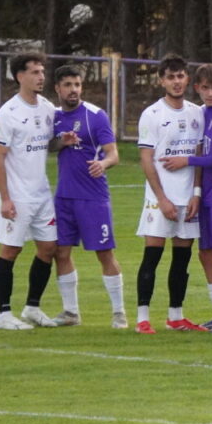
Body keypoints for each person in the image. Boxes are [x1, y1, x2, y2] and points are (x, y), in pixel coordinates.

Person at [47, 64, 127, 329]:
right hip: (64, 197)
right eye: (68, 85)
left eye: (77, 85)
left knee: (104, 252)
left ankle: (119, 313)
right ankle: (71, 312)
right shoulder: (54, 116)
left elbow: (114, 153)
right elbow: (49, 146)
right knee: (61, 252)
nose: (73, 90)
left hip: (93, 198)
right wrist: (63, 142)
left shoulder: (96, 115)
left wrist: (103, 165)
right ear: (58, 88)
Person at [159, 63, 212, 332]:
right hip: (206, 193)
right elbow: (203, 149)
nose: (210, 92)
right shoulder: (202, 113)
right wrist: (197, 191)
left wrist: (188, 160)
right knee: (205, 253)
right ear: (197, 88)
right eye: (205, 87)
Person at [134, 54, 206, 333]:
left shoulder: (196, 113)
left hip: (187, 199)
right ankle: (142, 318)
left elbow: (198, 155)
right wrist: (161, 198)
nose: (176, 82)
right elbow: (146, 159)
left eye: (180, 76)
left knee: (182, 259)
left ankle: (176, 316)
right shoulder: (152, 114)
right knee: (152, 256)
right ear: (161, 80)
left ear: (187, 79)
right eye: (170, 77)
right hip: (159, 200)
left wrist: (196, 193)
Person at [0, 53, 59, 330]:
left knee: (48, 248)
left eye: (42, 71)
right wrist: (5, 198)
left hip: (42, 194)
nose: (41, 77)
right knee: (10, 250)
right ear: (20, 76)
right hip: (16, 196)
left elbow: (47, 144)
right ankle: (3, 314)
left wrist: (62, 141)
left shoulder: (46, 108)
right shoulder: (7, 114)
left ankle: (32, 307)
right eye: (34, 72)